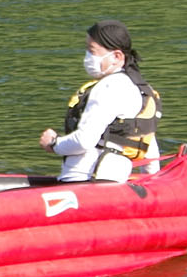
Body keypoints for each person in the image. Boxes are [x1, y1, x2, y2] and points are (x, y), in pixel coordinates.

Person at [41, 19, 163, 183]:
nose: (87, 56)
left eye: (91, 51)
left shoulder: (108, 87)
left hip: (86, 182)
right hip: (114, 183)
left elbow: (84, 141)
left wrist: (54, 144)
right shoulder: (139, 89)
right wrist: (152, 184)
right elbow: (150, 149)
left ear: (116, 56)